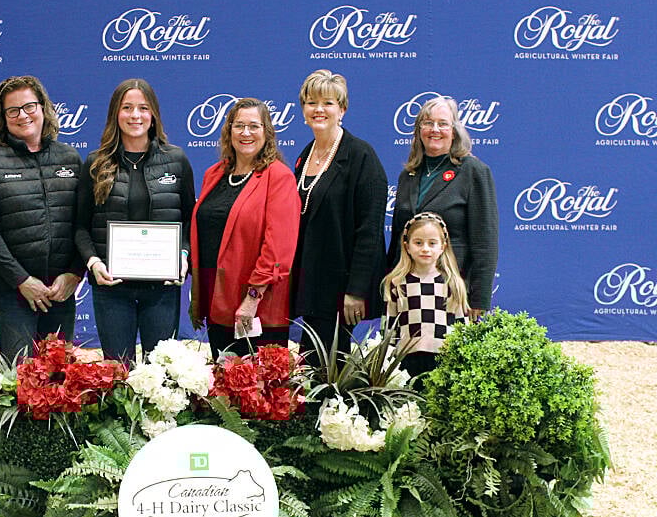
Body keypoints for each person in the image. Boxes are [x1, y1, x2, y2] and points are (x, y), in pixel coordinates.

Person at [75, 78, 195, 364]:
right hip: (112, 287)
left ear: (153, 114)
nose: (135, 115)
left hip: (162, 288)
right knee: (117, 374)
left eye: (143, 108)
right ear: (116, 114)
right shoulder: (95, 162)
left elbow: (191, 221)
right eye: (127, 107)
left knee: (162, 374)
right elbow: (80, 227)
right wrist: (94, 263)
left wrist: (183, 256)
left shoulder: (176, 160)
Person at [0, 76, 84, 364]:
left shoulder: (69, 157)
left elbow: (86, 221)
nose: (23, 115)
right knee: (21, 381)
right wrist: (21, 279)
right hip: (14, 293)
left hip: (60, 290)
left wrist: (75, 273)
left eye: (29, 106)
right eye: (13, 110)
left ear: (43, 108)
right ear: (2, 117)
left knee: (60, 381)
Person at [190, 98, 301, 361]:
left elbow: (278, 249)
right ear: (229, 131)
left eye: (254, 126)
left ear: (267, 132)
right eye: (239, 125)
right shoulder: (214, 174)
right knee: (224, 395)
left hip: (257, 309)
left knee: (258, 395)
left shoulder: (279, 176)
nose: (246, 133)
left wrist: (252, 299)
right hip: (219, 306)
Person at [290, 70, 388, 367]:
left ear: (342, 110)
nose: (319, 109)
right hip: (312, 283)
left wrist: (356, 290)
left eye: (328, 102)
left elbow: (370, 229)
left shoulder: (361, 156)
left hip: (342, 288)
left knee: (332, 369)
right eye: (311, 102)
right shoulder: (306, 154)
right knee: (309, 365)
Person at [388, 96, 498, 321]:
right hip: (409, 291)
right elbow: (399, 237)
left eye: (442, 123)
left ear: (455, 130)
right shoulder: (408, 175)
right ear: (419, 130)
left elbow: (485, 241)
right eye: (427, 123)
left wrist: (479, 298)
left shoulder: (473, 171)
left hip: (453, 292)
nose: (434, 129)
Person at [382, 211, 468, 382]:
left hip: (443, 359)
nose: (425, 249)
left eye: (432, 243)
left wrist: (464, 358)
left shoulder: (452, 282)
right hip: (406, 360)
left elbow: (461, 325)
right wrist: (386, 359)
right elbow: (389, 325)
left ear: (442, 246)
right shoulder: (396, 283)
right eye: (418, 243)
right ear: (407, 246)